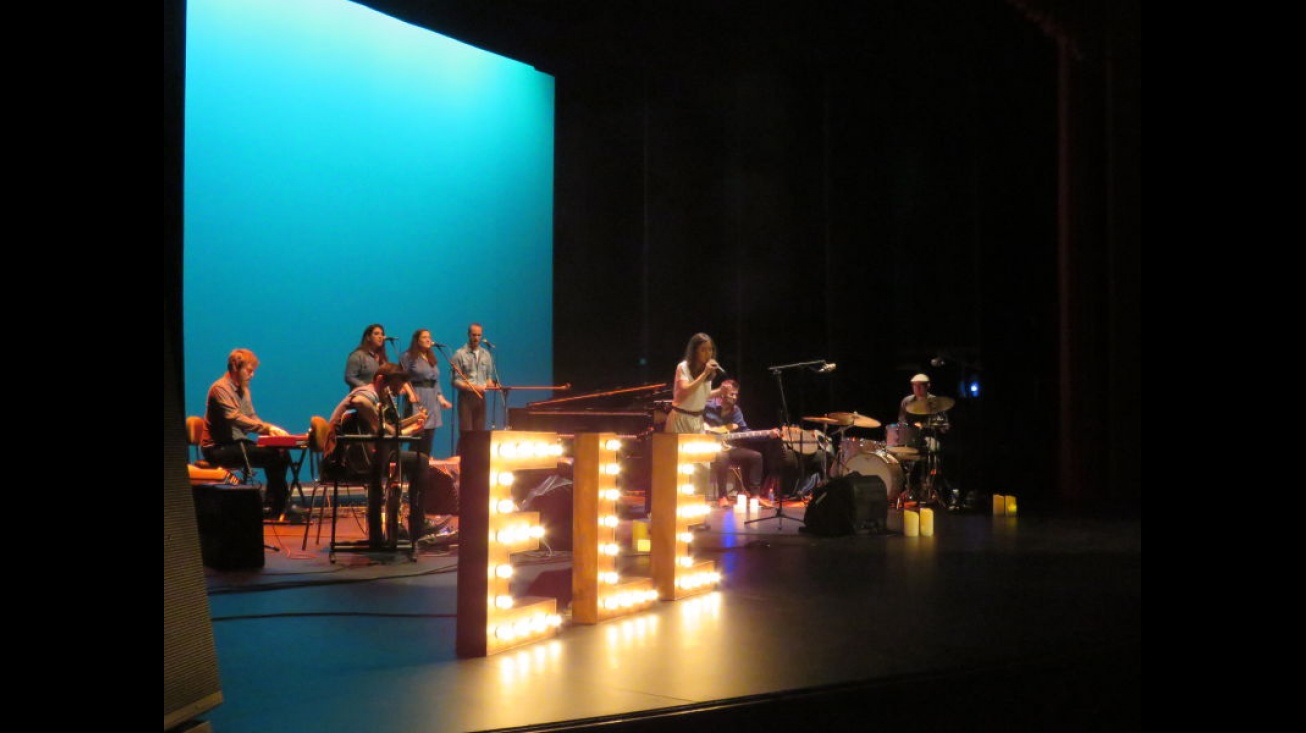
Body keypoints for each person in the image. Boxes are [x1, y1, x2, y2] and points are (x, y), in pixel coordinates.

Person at [327, 363, 458, 545]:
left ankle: (410, 526)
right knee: (420, 461)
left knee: (417, 460)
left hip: (368, 457)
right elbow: (360, 403)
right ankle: (417, 527)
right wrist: (391, 425)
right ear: (381, 380)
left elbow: (387, 429)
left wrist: (411, 424)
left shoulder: (377, 396)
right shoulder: (368, 393)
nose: (396, 392)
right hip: (345, 461)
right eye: (394, 387)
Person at [201, 348, 301, 522]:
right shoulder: (219, 389)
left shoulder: (244, 390)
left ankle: (273, 505)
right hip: (218, 448)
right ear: (235, 368)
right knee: (276, 457)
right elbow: (234, 418)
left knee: (280, 452)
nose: (252, 375)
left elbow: (252, 417)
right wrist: (265, 429)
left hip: (237, 444)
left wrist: (271, 430)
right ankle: (277, 506)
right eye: (249, 370)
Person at [704, 379, 777, 507]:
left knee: (756, 456)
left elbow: (746, 432)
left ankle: (755, 496)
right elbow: (694, 419)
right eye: (731, 394)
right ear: (722, 393)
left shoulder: (736, 411)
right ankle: (722, 496)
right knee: (722, 456)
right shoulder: (707, 405)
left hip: (727, 447)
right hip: (706, 448)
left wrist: (768, 435)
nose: (735, 397)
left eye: (736, 394)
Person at [399, 329, 453, 457]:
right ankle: (412, 470)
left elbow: (435, 381)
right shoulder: (408, 356)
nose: (428, 339)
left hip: (432, 400)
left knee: (429, 438)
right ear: (417, 340)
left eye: (429, 337)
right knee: (418, 436)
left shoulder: (430, 358)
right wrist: (410, 393)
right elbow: (402, 377)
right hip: (417, 397)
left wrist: (442, 400)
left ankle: (424, 466)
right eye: (424, 337)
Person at [450, 322, 498, 455]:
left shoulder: (486, 354)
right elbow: (455, 381)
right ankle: (461, 460)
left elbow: (488, 378)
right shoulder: (459, 354)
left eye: (479, 335)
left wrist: (493, 385)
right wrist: (472, 387)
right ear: (468, 335)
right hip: (466, 398)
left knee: (479, 432)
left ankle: (476, 461)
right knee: (466, 432)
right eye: (473, 335)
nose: (476, 338)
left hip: (481, 397)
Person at [664, 332, 724, 435]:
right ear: (694, 351)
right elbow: (685, 391)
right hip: (681, 418)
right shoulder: (683, 367)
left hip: (698, 420)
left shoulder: (708, 371)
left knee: (701, 451)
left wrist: (721, 391)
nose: (708, 353)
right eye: (703, 350)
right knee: (679, 451)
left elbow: (702, 395)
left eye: (710, 349)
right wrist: (705, 374)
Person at [344, 323, 390, 389]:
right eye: (376, 334)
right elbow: (349, 377)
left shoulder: (383, 358)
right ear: (368, 337)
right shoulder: (358, 355)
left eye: (382, 334)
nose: (380, 336)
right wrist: (366, 387)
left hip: (379, 397)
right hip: (363, 396)